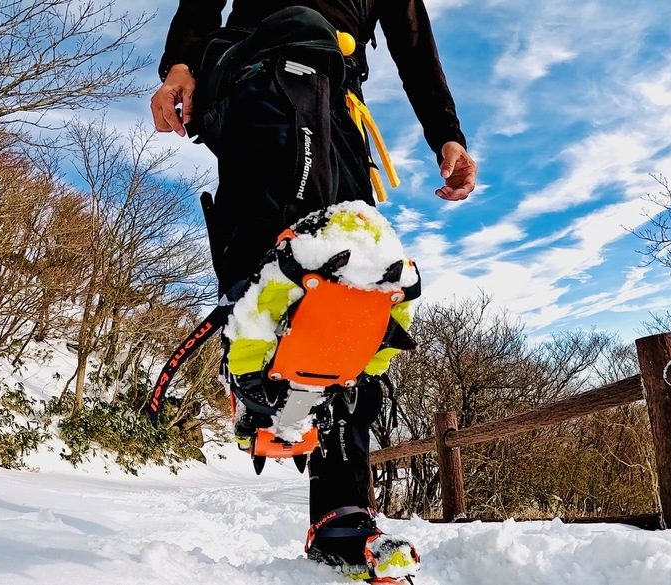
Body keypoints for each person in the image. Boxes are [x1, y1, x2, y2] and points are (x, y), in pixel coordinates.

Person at [150, 1, 476, 581]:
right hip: (254, 73)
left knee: (356, 278)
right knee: (275, 250)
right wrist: (179, 68)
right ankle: (253, 357)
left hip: (337, 101)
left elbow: (415, 47)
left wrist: (446, 135)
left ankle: (341, 516)